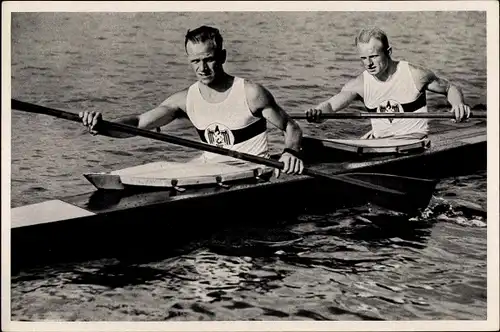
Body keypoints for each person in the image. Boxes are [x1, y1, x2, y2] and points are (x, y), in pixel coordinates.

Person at [79, 25, 304, 176]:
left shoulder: (251, 93)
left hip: (251, 172)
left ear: (222, 57)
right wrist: (102, 126)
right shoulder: (186, 99)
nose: (202, 68)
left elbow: (291, 127)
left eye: (208, 59)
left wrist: (290, 152)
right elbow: (138, 124)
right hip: (210, 170)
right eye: (195, 61)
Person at [305, 27, 471, 139]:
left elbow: (450, 88)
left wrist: (458, 104)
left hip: (416, 141)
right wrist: (317, 113)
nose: (368, 63)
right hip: (381, 144)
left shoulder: (415, 75)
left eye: (374, 56)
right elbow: (331, 106)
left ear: (389, 52)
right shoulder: (359, 84)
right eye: (363, 58)